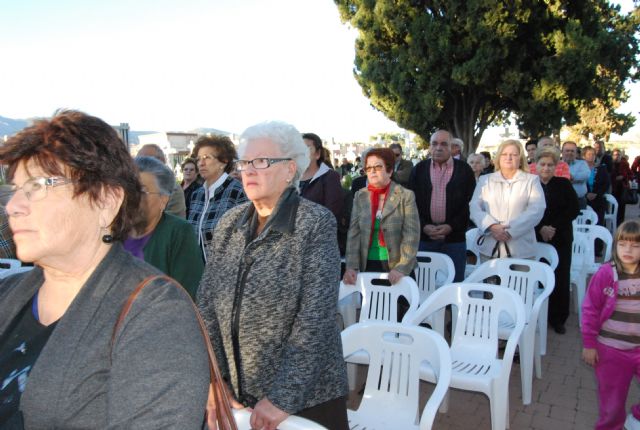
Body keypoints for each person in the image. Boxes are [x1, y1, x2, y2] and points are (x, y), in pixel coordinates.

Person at [0, 110, 209, 428]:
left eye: (39, 185)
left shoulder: (156, 316)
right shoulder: (9, 292)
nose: (13, 206)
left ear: (106, 201)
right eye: (15, 188)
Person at [197, 121, 349, 430]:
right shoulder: (230, 223)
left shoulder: (315, 223)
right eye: (245, 162)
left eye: (262, 161)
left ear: (290, 169)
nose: (249, 170)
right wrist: (214, 379)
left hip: (307, 399)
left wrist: (282, 398)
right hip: (238, 395)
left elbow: (315, 320)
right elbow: (207, 307)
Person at [581, 220, 640, 430]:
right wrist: (589, 344)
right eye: (623, 244)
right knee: (612, 405)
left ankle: (636, 417)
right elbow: (590, 309)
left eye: (635, 245)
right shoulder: (606, 273)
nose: (628, 250)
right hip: (611, 350)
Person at [124, 156, 204, 300]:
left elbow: (186, 294)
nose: (132, 197)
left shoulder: (179, 232)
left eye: (142, 191)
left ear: (163, 200)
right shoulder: (112, 231)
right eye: (129, 189)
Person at [344, 147, 420, 285]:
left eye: (378, 167)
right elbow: (354, 233)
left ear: (390, 170)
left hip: (398, 268)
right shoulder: (360, 195)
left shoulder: (405, 195)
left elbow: (412, 235)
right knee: (372, 306)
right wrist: (351, 266)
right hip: (368, 265)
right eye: (368, 168)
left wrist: (402, 268)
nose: (372, 171)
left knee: (399, 307)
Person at [409, 130, 476, 282]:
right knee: (423, 284)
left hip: (455, 239)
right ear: (430, 147)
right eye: (434, 144)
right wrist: (424, 226)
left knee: (455, 283)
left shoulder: (465, 170)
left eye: (444, 144)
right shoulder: (418, 170)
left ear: (452, 147)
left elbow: (470, 204)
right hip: (424, 238)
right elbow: (410, 205)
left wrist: (451, 226)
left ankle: (451, 308)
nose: (438, 148)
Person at [470, 139, 546, 260]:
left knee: (521, 279)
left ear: (520, 158)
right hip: (490, 246)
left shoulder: (531, 181)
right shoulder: (485, 180)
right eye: (504, 154)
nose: (508, 158)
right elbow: (474, 207)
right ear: (498, 157)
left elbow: (536, 210)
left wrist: (510, 231)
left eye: (513, 154)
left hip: (521, 248)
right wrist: (492, 226)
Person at [534, 147, 580, 334]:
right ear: (535, 165)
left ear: (556, 166)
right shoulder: (530, 184)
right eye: (543, 164)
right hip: (537, 237)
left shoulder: (563, 184)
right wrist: (541, 228)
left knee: (560, 277)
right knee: (538, 277)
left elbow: (573, 209)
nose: (546, 168)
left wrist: (553, 227)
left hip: (560, 237)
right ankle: (537, 314)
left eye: (550, 165)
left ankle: (558, 318)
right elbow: (525, 211)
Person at [187, 135, 247, 261]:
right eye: (198, 159)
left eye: (207, 158)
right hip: (198, 272)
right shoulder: (197, 195)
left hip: (225, 272)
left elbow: (244, 239)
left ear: (224, 161)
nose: (201, 163)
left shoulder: (238, 192)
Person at [299, 133, 344, 221]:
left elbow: (332, 215)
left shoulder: (329, 177)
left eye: (307, 148)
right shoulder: (291, 179)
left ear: (318, 153)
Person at [137, 144, 187, 218]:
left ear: (161, 162)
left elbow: (169, 222)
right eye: (138, 159)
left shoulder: (173, 189)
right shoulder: (132, 186)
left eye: (146, 160)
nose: (140, 164)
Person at [583, 146, 611, 231]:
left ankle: (598, 243)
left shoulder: (601, 168)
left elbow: (606, 183)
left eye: (593, 154)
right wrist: (586, 194)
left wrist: (597, 194)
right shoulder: (581, 169)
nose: (591, 156)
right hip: (585, 200)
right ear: (584, 156)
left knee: (598, 225)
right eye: (589, 154)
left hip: (598, 199)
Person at [562, 141, 591, 209]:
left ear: (575, 153)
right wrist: (577, 179)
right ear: (562, 152)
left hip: (579, 201)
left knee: (580, 220)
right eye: (567, 150)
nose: (570, 153)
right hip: (562, 201)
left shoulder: (582, 163)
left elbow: (586, 175)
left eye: (572, 151)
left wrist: (570, 177)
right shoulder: (557, 165)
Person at [611, 148, 633, 226]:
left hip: (622, 188)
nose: (617, 156)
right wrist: (614, 178)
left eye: (618, 155)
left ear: (621, 156)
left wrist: (624, 177)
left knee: (621, 207)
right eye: (615, 155)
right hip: (612, 188)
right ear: (612, 156)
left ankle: (620, 224)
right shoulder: (610, 164)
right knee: (612, 207)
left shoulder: (624, 164)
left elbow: (630, 174)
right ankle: (612, 223)